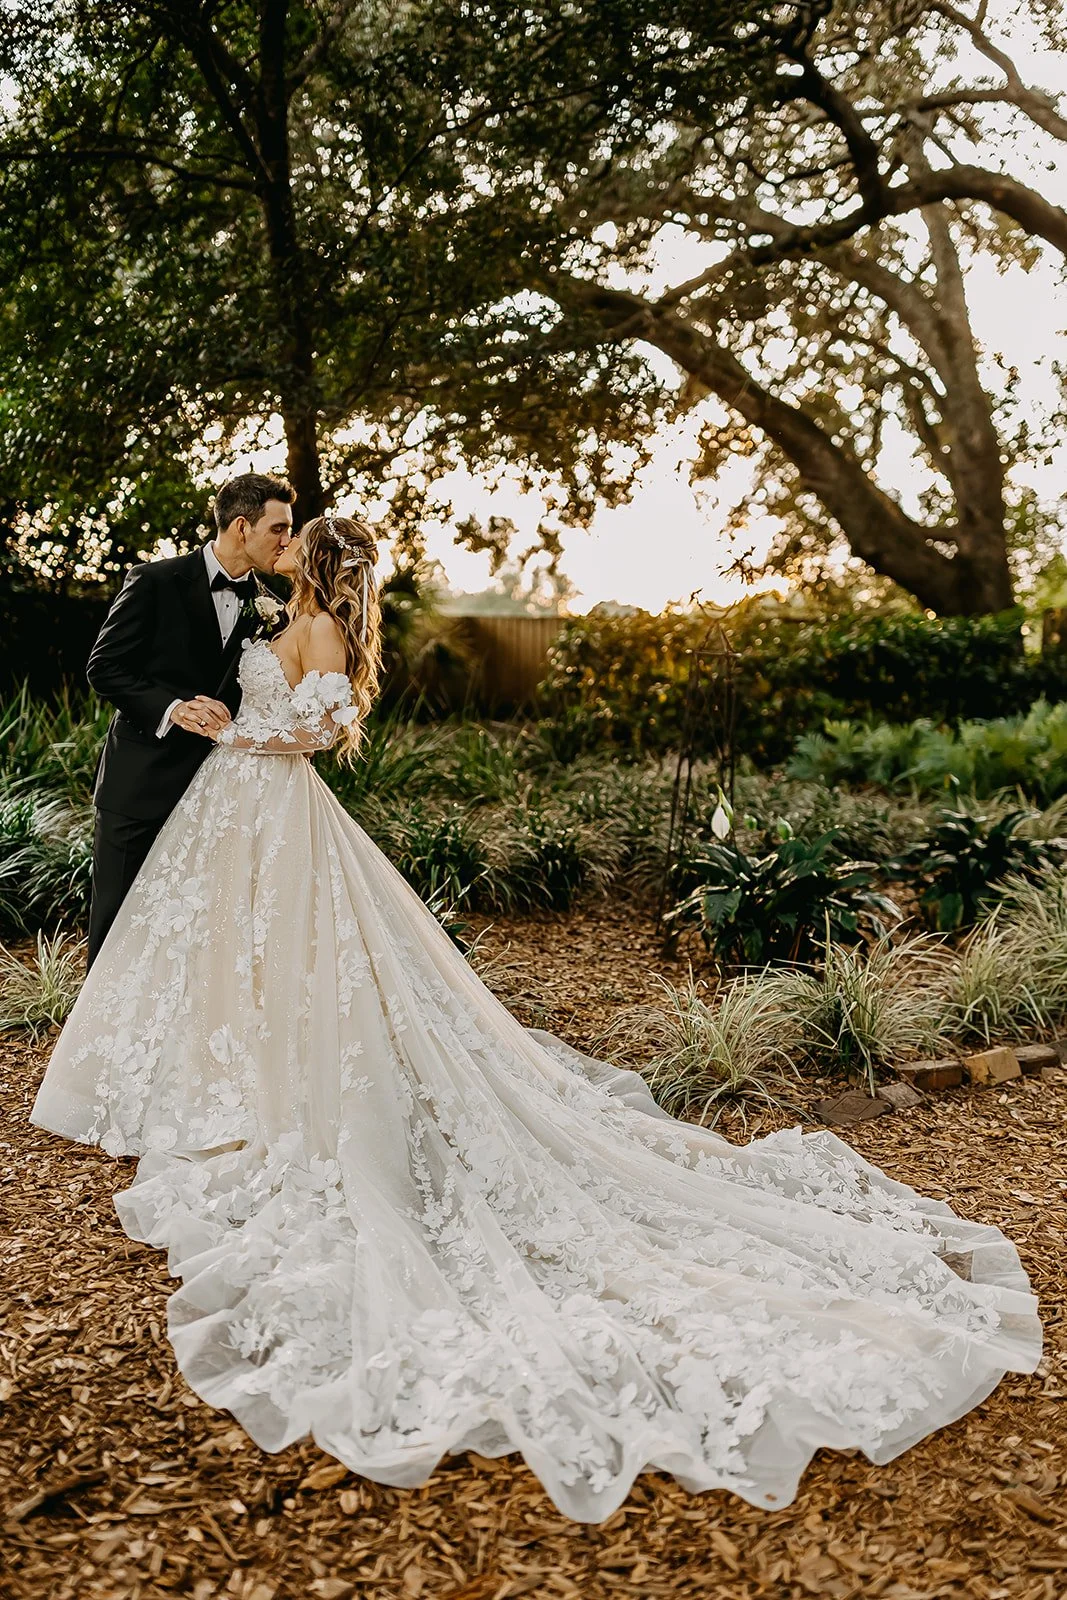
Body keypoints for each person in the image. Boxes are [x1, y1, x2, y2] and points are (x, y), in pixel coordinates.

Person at [31, 513, 1041, 1524]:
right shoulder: (275, 613)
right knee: (252, 964)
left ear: (319, 561)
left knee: (303, 964)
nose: (285, 544)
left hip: (268, 799)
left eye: (300, 540)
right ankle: (238, 1079)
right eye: (280, 533)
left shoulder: (320, 631)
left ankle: (299, 1101)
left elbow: (320, 733)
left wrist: (239, 729)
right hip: (236, 811)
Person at [83, 471, 295, 966]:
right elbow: (106, 667)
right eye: (278, 528)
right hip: (140, 784)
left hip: (217, 795)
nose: (287, 540)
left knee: (191, 930)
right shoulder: (154, 580)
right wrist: (174, 709)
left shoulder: (274, 608)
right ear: (242, 526)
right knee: (115, 923)